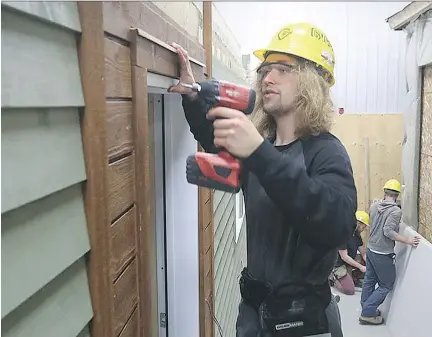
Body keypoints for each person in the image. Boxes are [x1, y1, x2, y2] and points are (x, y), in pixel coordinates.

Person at [169, 22, 357, 337]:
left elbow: (337, 224)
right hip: (255, 316)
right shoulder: (263, 144)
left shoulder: (325, 152)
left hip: (303, 323)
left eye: (283, 69)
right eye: (266, 69)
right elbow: (217, 139)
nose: (267, 78)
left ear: (313, 81)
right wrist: (191, 95)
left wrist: (258, 152)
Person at [359, 179, 421, 325]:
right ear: (397, 195)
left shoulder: (374, 206)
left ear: (385, 192)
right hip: (382, 253)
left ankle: (366, 307)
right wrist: (408, 241)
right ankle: (368, 312)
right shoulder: (395, 211)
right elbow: (388, 231)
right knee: (386, 284)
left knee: (369, 280)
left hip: (371, 249)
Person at [330, 211, 369, 295]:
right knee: (349, 290)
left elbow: (363, 253)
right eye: (364, 226)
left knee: (364, 262)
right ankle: (332, 277)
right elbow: (344, 257)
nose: (364, 229)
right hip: (338, 264)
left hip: (348, 262)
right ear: (359, 223)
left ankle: (351, 277)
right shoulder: (344, 234)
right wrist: (361, 267)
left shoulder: (357, 235)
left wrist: (369, 263)